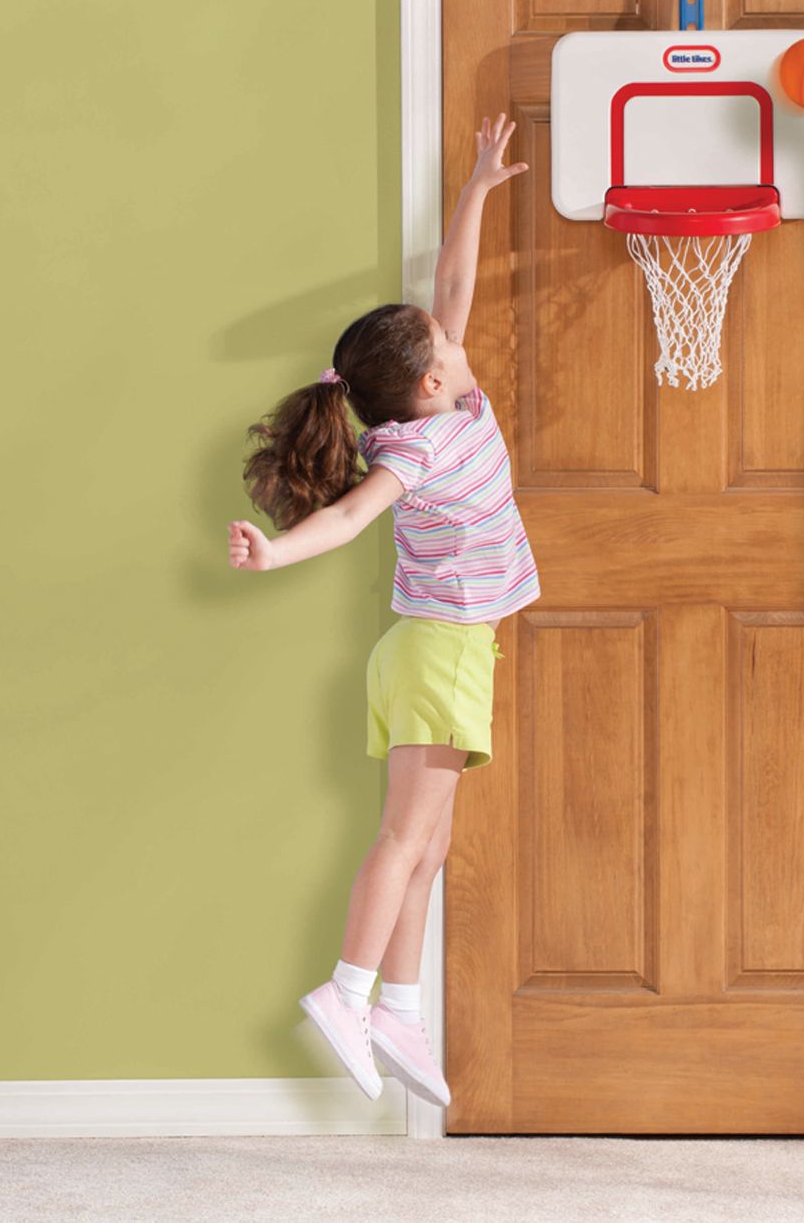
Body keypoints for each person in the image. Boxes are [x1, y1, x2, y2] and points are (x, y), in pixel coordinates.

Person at [226, 116, 537, 1105]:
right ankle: (347, 989)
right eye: (449, 342)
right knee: (405, 840)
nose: (458, 328)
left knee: (433, 841)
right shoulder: (416, 452)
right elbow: (353, 517)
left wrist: (478, 190)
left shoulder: (453, 403)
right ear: (431, 382)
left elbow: (452, 289)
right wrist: (276, 550)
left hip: (450, 651)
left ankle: (399, 1002)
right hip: (438, 654)